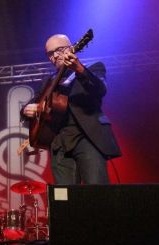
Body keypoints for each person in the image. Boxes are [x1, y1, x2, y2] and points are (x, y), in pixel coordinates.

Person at [22, 34, 121, 184]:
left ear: (71, 48)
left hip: (87, 138)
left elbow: (100, 90)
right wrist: (26, 109)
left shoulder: (94, 67)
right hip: (58, 143)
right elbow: (32, 103)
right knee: (64, 199)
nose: (55, 56)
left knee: (98, 193)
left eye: (59, 50)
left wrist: (80, 69)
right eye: (50, 53)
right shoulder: (49, 81)